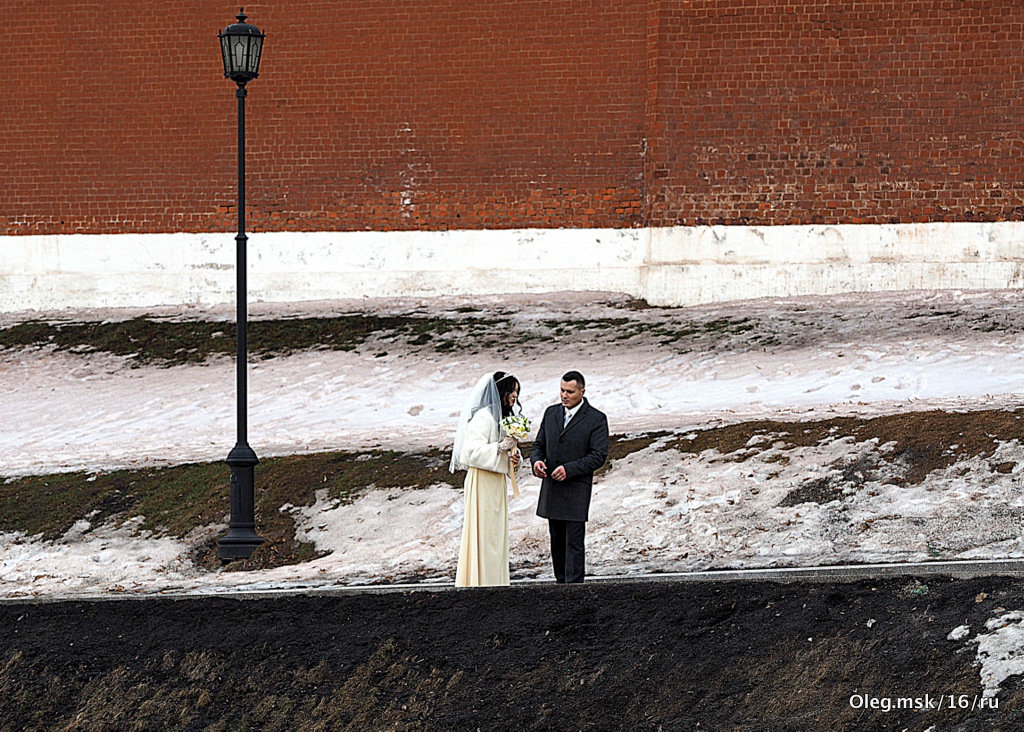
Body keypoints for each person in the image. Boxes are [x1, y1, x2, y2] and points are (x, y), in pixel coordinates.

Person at [530, 371, 608, 583]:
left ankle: (574, 593)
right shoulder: (550, 413)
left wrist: (569, 469)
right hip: (552, 488)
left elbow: (598, 456)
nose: (564, 395)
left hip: (576, 489)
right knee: (556, 543)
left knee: (573, 543)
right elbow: (538, 445)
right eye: (562, 390)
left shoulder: (596, 419)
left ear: (582, 391)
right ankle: (560, 589)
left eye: (570, 392)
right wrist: (536, 461)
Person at [450, 371, 522, 587]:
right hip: (482, 482)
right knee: (484, 533)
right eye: (512, 391)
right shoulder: (483, 417)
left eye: (517, 392)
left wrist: (515, 460)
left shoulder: (504, 419)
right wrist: (499, 448)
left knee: (496, 534)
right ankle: (479, 581)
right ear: (502, 391)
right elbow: (469, 452)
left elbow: (505, 455)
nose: (515, 397)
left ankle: (496, 580)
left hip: (497, 484)